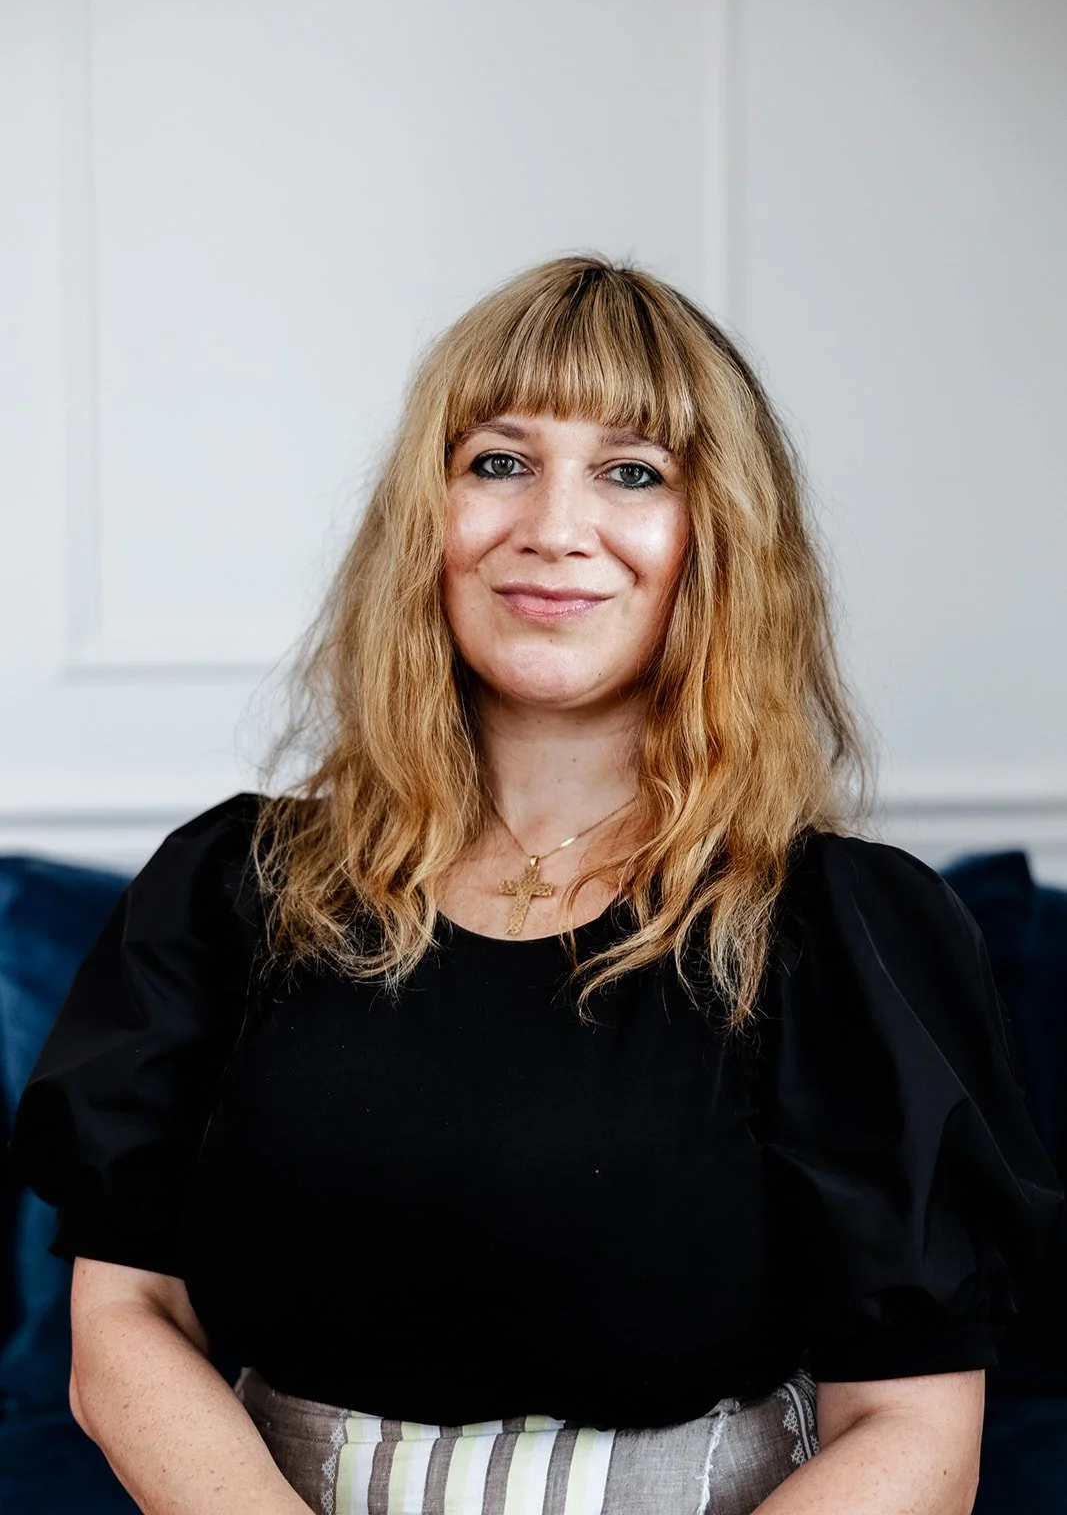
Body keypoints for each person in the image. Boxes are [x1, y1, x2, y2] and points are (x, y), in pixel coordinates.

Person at [10, 254, 1065, 1515]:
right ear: (426, 517)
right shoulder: (228, 889)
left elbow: (913, 1434)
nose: (552, 526)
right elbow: (125, 1316)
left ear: (712, 539)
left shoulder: (847, 930)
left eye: (632, 471)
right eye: (497, 461)